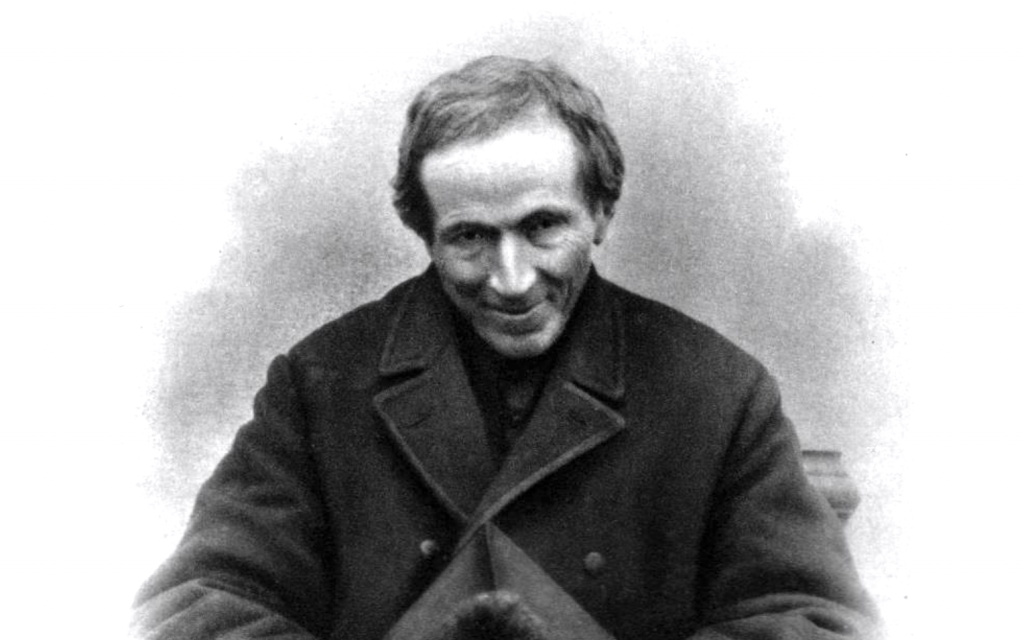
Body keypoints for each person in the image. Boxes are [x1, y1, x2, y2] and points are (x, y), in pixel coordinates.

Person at [133, 56, 877, 639]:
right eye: (470, 238)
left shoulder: (717, 391)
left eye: (543, 227)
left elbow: (814, 619)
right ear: (425, 233)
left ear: (601, 212)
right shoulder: (320, 382)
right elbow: (197, 604)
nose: (512, 280)